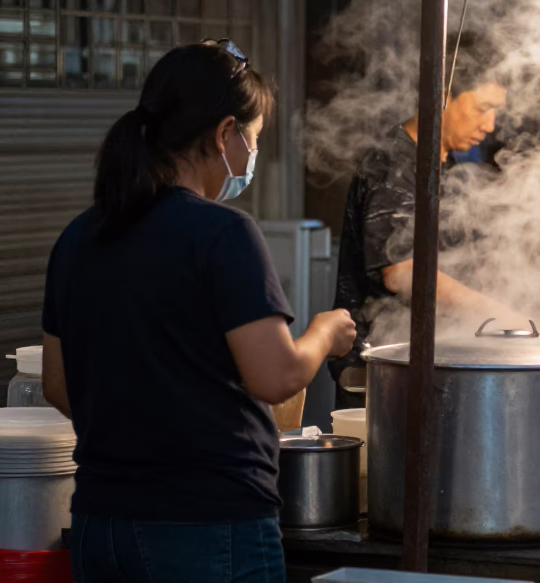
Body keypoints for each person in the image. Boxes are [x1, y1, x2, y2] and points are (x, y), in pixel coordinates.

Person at [40, 41, 357, 582]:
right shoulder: (223, 234)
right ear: (225, 133)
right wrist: (325, 332)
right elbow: (276, 375)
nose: (253, 154)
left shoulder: (81, 235)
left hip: (101, 526)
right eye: (253, 139)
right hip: (207, 527)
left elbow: (58, 385)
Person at [331, 49, 520, 401]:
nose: (490, 124)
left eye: (496, 111)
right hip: (384, 375)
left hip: (422, 369)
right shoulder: (396, 162)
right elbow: (401, 270)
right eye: (481, 108)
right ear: (441, 97)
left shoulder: (438, 163)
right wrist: (498, 314)